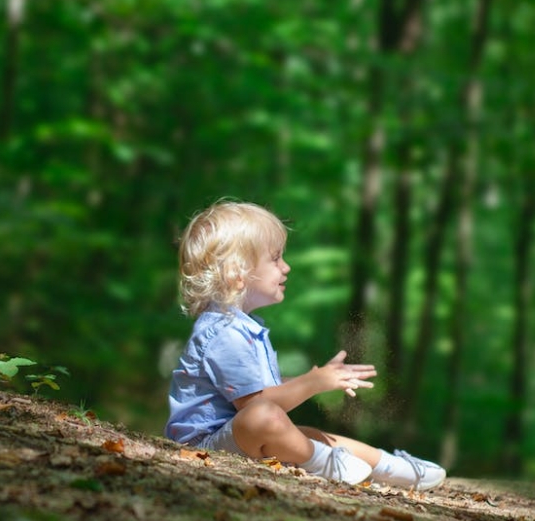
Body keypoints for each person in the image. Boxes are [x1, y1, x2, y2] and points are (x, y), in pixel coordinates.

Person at [165, 199, 446, 491]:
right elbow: (257, 406)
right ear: (237, 272)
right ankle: (329, 464)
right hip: (207, 445)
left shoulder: (242, 326)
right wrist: (312, 383)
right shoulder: (223, 332)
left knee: (308, 433)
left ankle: (393, 468)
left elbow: (260, 391)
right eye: (275, 258)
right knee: (267, 417)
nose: (286, 267)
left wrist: (314, 379)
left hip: (236, 435)